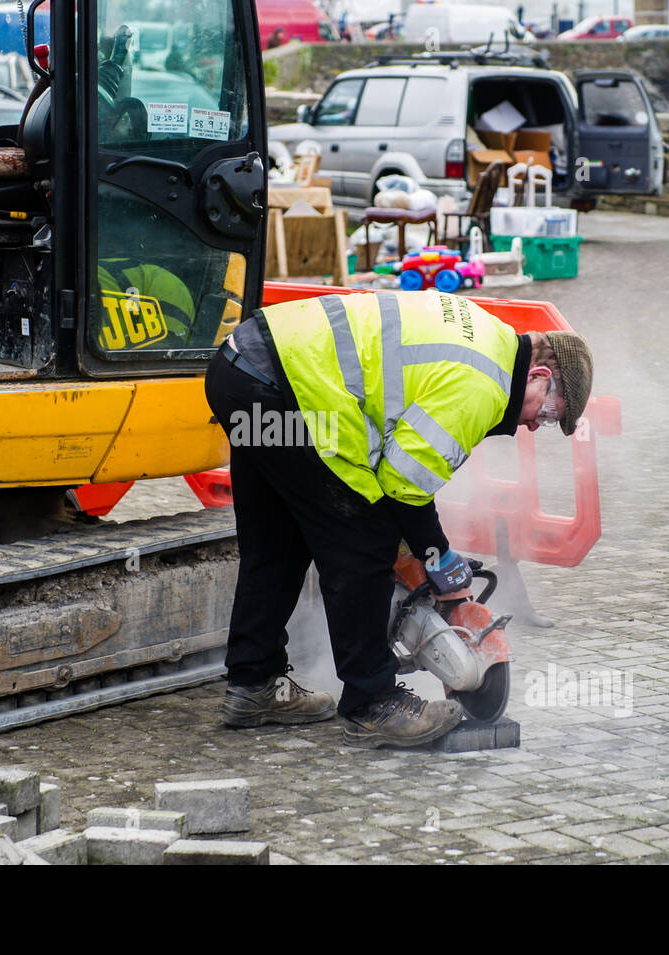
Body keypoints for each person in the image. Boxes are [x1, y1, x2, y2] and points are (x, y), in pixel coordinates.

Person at [204, 290, 593, 748]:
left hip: (240, 369)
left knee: (279, 542)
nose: (534, 426)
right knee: (362, 543)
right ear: (540, 376)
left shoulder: (486, 335)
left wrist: (426, 553)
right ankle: (373, 703)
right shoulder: (481, 386)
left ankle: (254, 684)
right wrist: (439, 560)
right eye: (548, 414)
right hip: (289, 389)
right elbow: (403, 486)